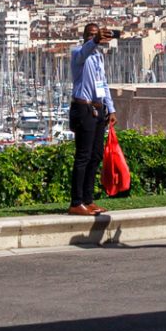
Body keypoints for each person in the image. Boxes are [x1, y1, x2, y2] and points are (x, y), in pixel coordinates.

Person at [66, 23, 115, 215]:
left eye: (96, 34)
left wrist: (111, 109)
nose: (93, 37)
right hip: (83, 108)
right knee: (83, 156)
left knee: (95, 156)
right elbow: (84, 51)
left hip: (98, 108)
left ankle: (88, 199)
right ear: (84, 36)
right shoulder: (78, 53)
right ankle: (76, 201)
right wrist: (94, 41)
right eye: (90, 34)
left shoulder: (98, 57)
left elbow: (103, 83)